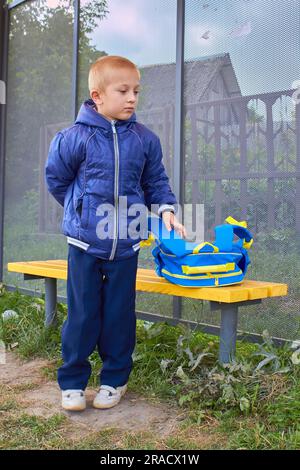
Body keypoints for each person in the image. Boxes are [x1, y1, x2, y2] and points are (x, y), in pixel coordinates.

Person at [45, 55, 187, 411]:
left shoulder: (145, 140)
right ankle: (74, 381)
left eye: (136, 91)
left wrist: (166, 210)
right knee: (82, 313)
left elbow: (155, 182)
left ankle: (114, 379)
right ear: (97, 96)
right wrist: (80, 210)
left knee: (120, 314)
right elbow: (57, 180)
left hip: (127, 244)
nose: (132, 98)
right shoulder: (72, 138)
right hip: (84, 243)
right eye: (123, 90)